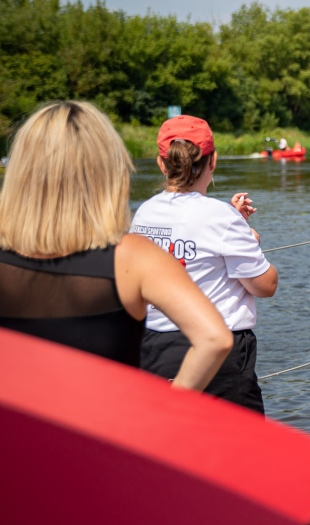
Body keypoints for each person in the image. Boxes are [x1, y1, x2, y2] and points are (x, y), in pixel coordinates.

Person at [0, 101, 232, 390]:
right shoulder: (134, 257)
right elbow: (214, 339)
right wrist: (167, 410)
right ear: (107, 170)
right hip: (101, 429)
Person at [133, 115, 278, 414]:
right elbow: (266, 285)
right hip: (220, 353)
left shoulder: (144, 213)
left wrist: (235, 226)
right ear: (212, 161)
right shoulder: (221, 217)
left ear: (162, 163)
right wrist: (248, 238)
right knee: (237, 448)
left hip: (155, 347)